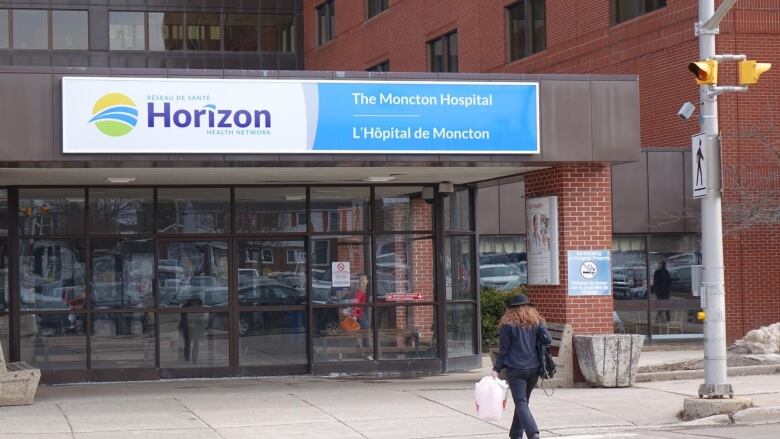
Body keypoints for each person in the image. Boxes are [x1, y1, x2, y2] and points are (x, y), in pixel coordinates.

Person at [491, 294, 551, 439]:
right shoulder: (536, 322)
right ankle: (516, 434)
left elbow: (503, 350)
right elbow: (548, 340)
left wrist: (496, 369)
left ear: (511, 309)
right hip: (534, 369)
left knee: (521, 402)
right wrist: (540, 327)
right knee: (523, 402)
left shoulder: (507, 325)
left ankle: (533, 433)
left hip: (516, 369)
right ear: (528, 307)